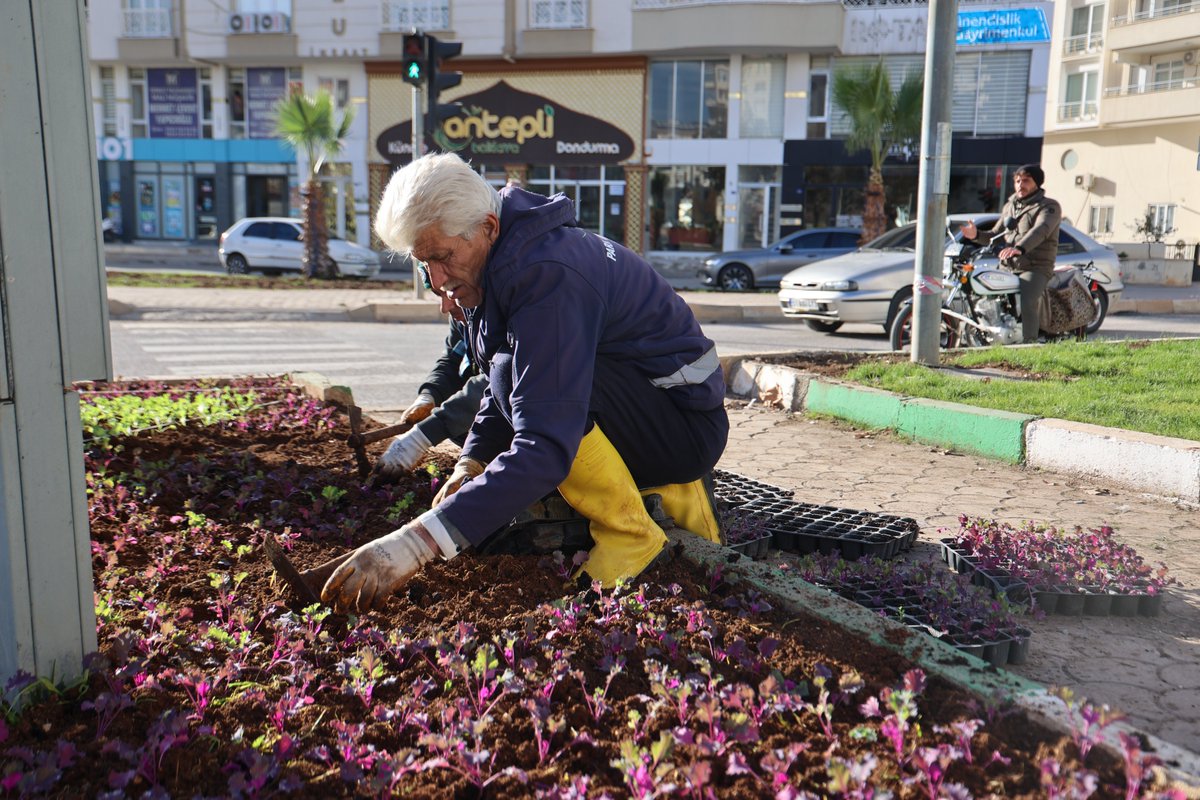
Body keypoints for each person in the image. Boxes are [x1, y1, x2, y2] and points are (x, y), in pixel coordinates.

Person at [322, 152, 728, 613]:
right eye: (423, 264)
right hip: (650, 409)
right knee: (520, 375)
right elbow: (502, 380)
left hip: (684, 429)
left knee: (548, 396)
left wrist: (419, 543)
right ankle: (652, 492)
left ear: (489, 228)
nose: (437, 282)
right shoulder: (501, 260)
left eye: (441, 258)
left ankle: (631, 532)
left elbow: (545, 441)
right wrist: (470, 464)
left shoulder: (547, 277)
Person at [960, 164, 1061, 343]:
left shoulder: (1049, 206)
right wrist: (976, 235)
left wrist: (1020, 248)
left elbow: (1041, 230)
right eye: (1017, 181)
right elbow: (995, 234)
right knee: (983, 290)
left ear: (1037, 182)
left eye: (1026, 180)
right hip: (1008, 266)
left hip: (1035, 266)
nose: (1020, 185)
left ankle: (1030, 344)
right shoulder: (1010, 206)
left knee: (1028, 300)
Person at [376, 315, 487, 476]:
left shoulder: (502, 316)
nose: (445, 307)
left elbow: (495, 383)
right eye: (438, 295)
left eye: (453, 289)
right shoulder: (461, 312)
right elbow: (451, 362)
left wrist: (421, 437)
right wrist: (429, 395)